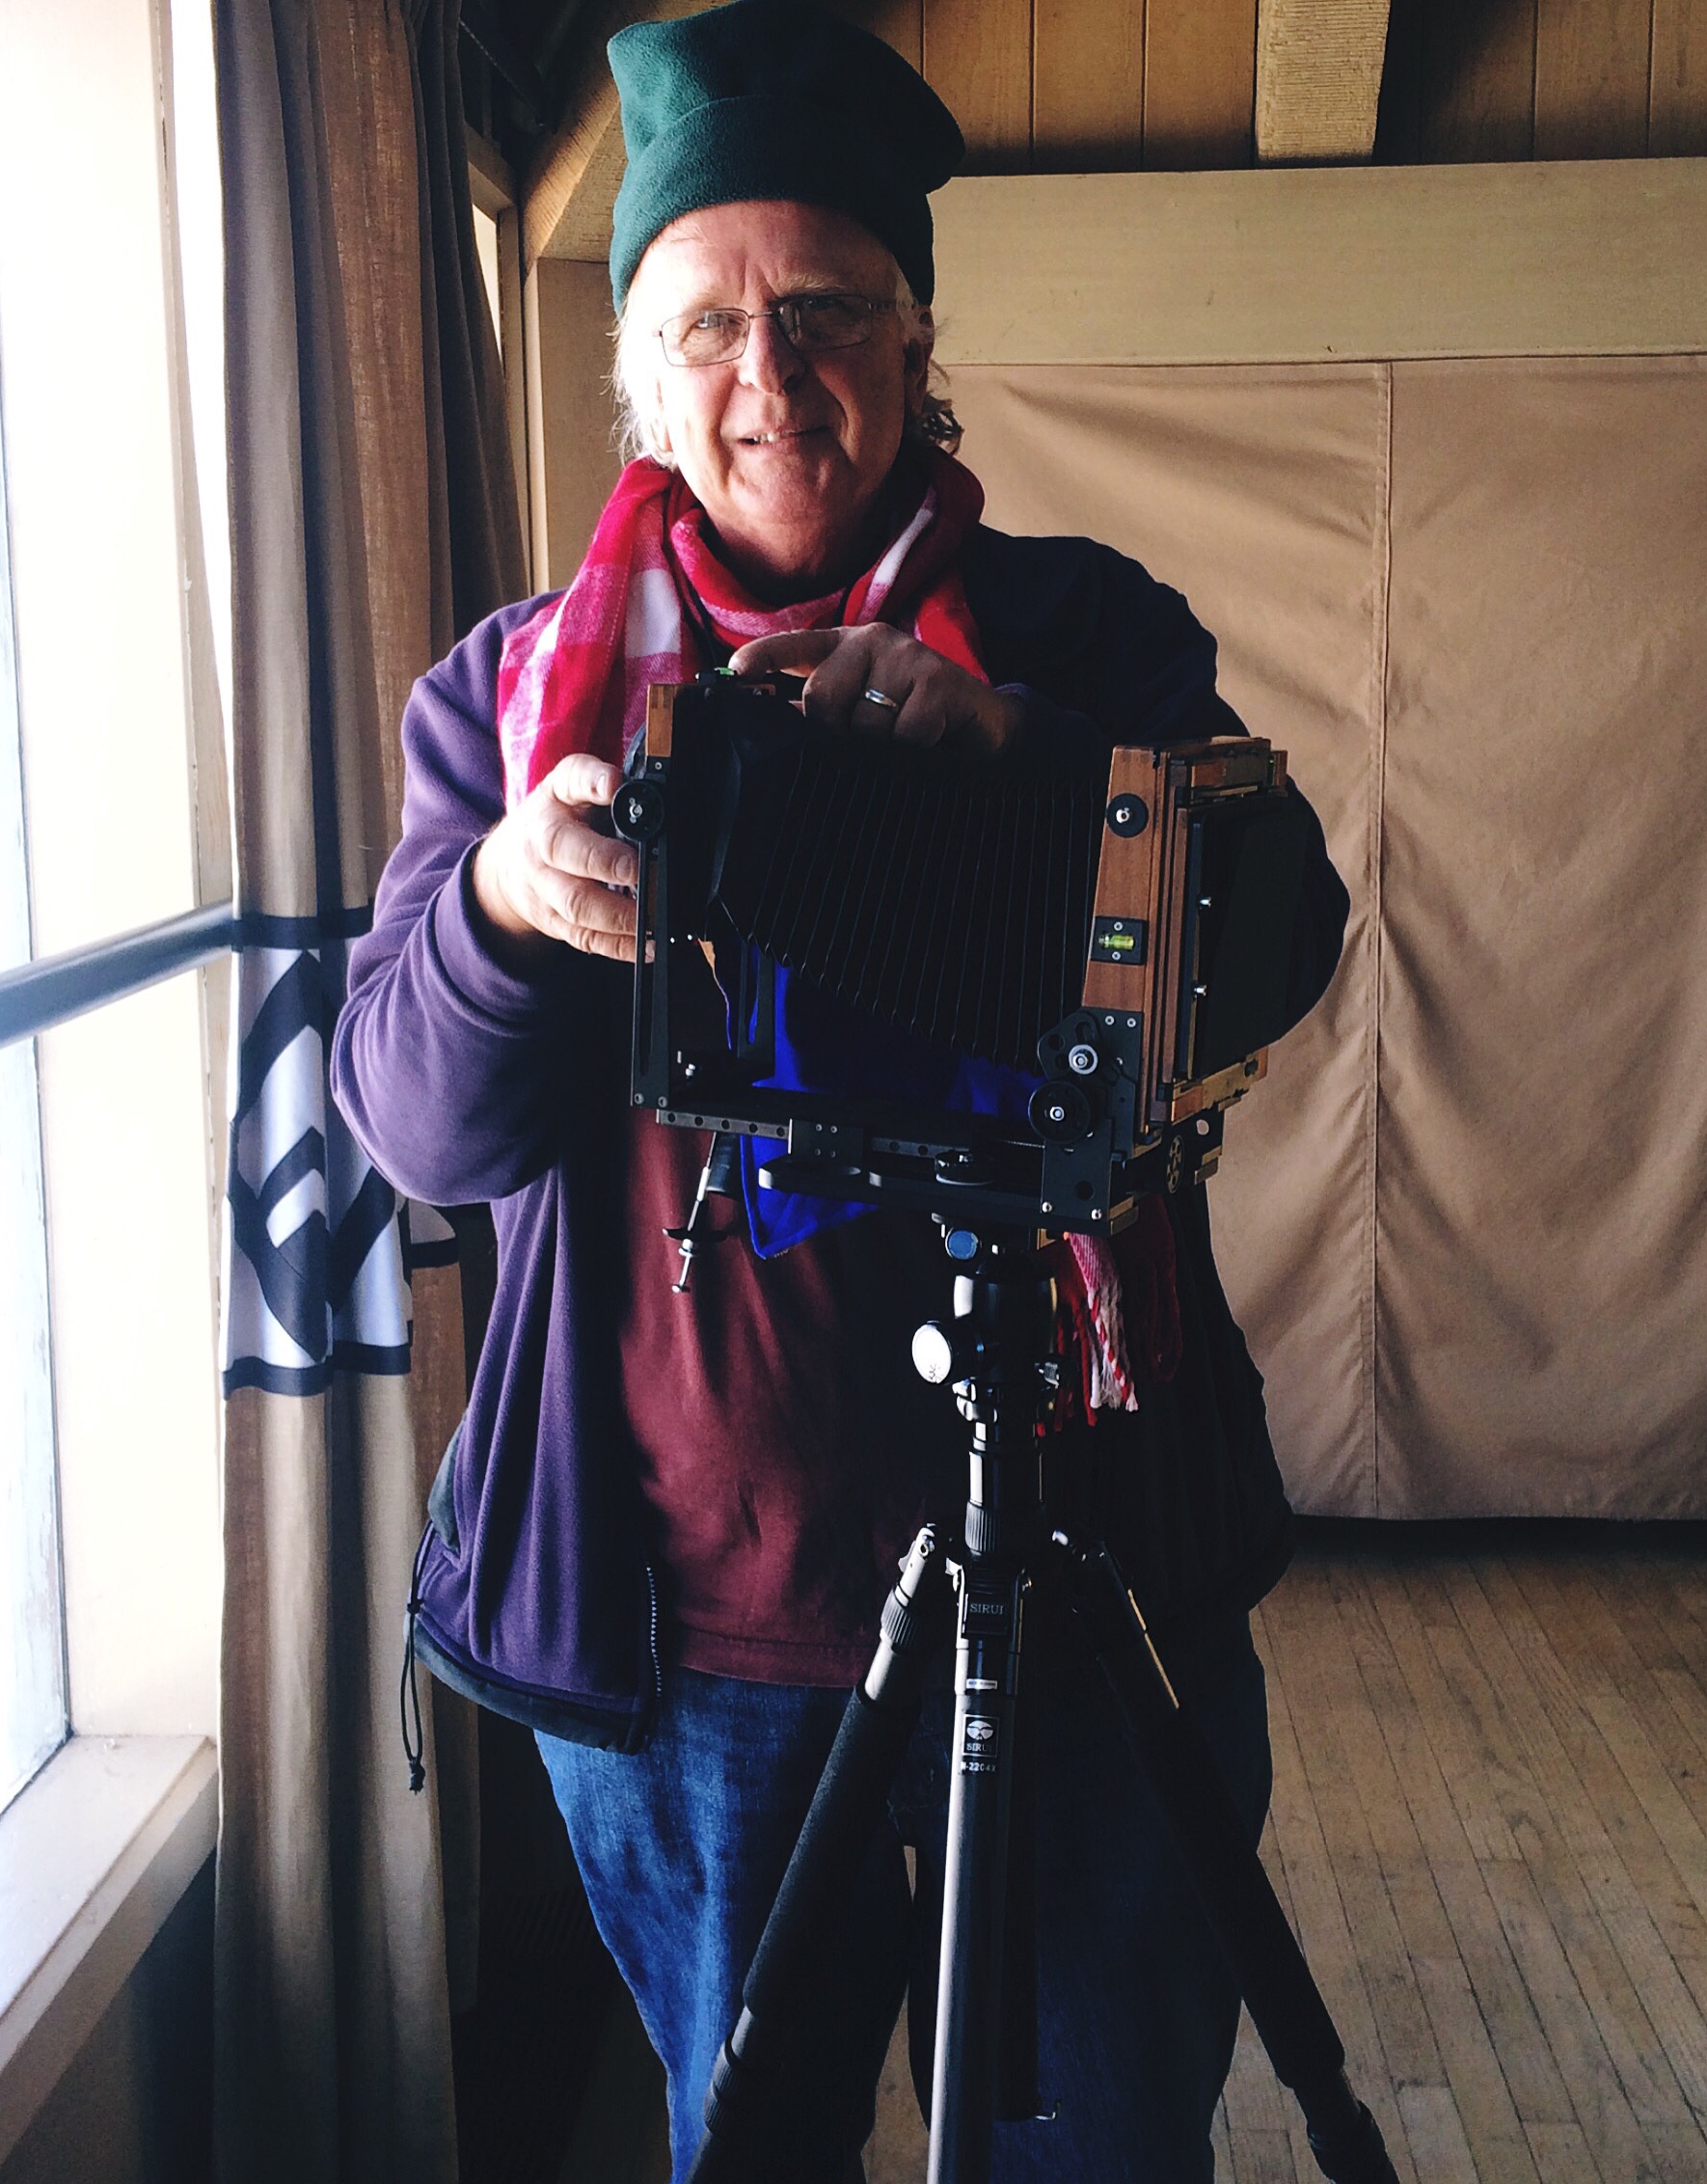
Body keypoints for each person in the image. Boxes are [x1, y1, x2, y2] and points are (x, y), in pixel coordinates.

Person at [333, 4, 1349, 2176]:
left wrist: (1025, 765)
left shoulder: (1082, 640)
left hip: (1086, 1553)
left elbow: (1285, 941)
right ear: (635, 367)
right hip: (694, 1614)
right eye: (707, 321)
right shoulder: (511, 698)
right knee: (752, 2141)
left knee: (1102, 2140)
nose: (769, 376)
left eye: (825, 311)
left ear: (917, 340)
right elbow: (415, 1126)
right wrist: (508, 901)